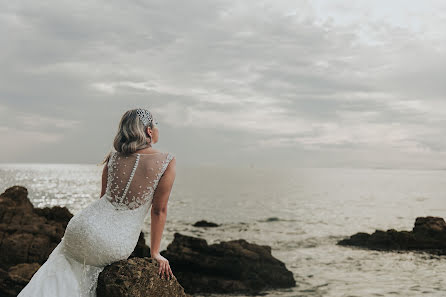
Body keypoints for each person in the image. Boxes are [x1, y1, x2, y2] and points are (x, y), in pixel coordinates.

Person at [17, 108, 177, 297]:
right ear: (149, 131)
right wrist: (155, 253)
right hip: (111, 242)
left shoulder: (114, 156)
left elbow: (103, 199)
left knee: (58, 277)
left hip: (81, 226)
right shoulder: (166, 161)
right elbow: (159, 211)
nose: (158, 129)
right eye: (156, 125)